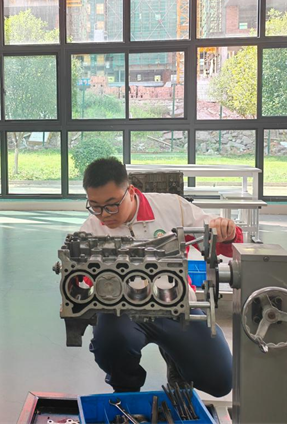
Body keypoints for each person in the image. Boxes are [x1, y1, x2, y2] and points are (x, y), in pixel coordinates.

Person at [79, 157, 242, 396]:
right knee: (110, 341)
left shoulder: (172, 208)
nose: (104, 215)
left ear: (130, 191)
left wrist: (226, 231)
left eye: (112, 205)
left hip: (177, 307)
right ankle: (126, 390)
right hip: (122, 313)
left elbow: (222, 240)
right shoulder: (91, 229)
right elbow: (83, 281)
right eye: (95, 206)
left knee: (221, 380)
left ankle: (177, 361)